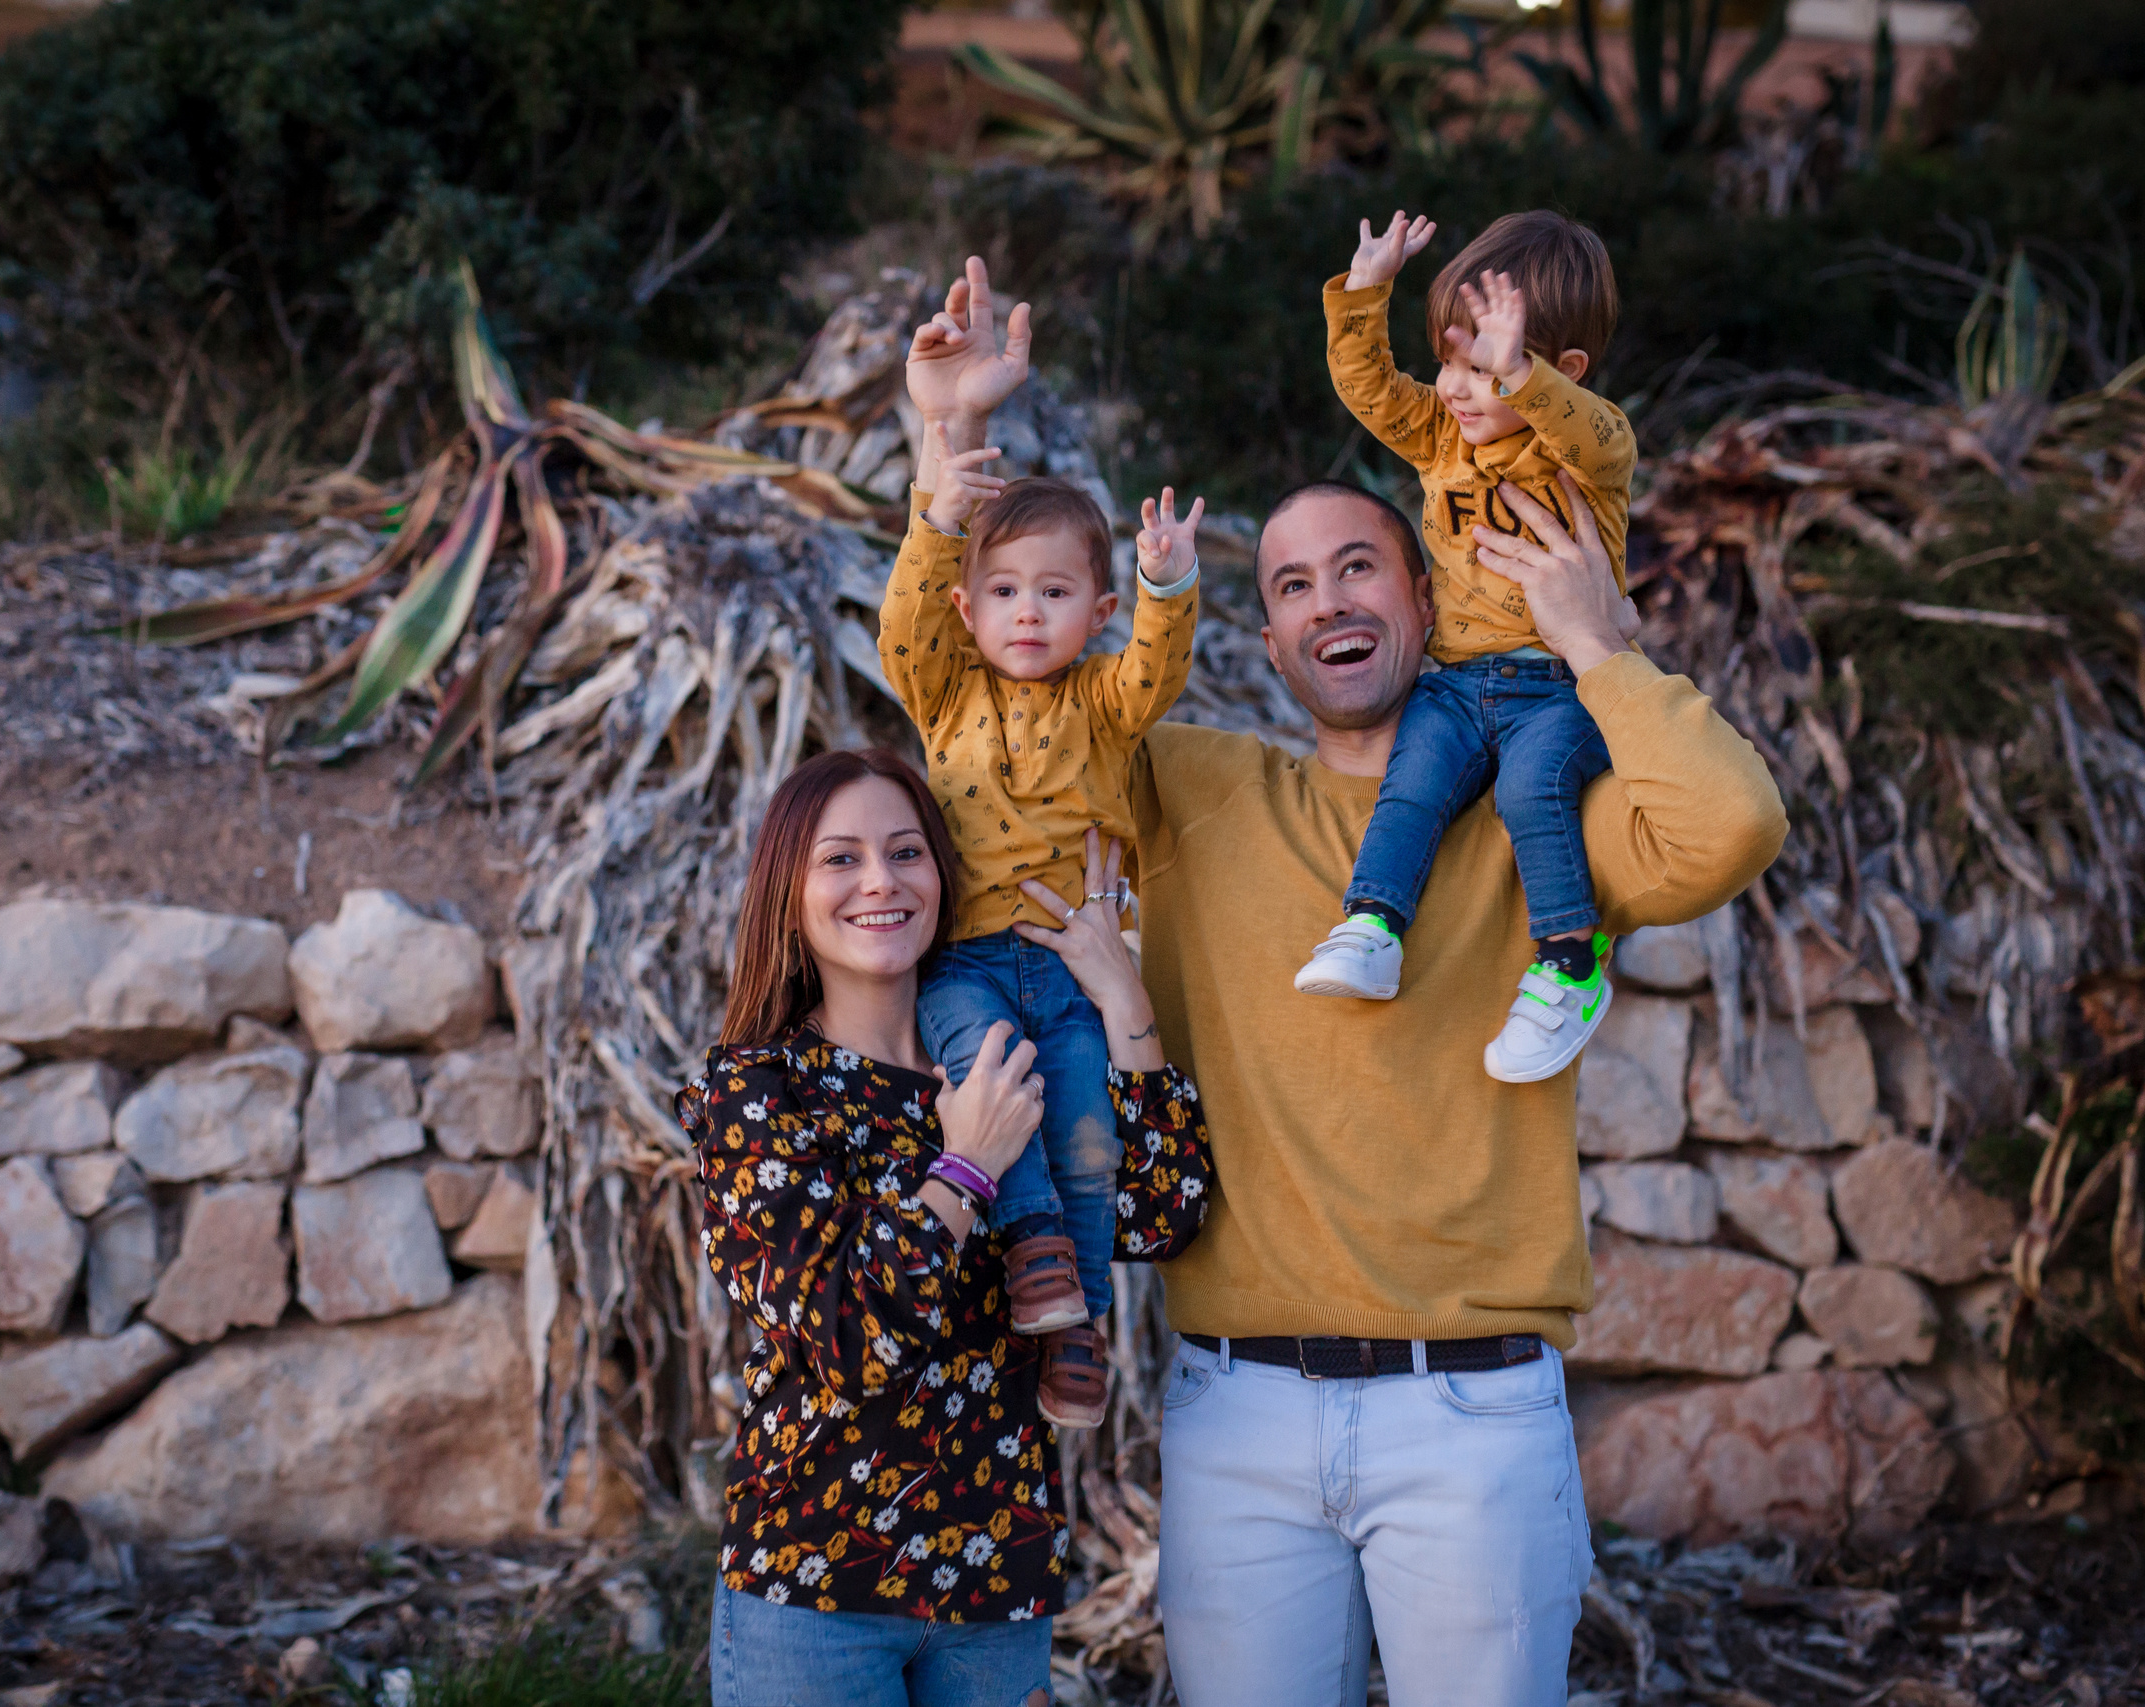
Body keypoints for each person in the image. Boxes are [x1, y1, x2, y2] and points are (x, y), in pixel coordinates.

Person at [890, 254, 1784, 1704]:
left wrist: (1597, 641)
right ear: (1264, 639)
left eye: (1358, 565)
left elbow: (1731, 824)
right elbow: (969, 683)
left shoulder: (1532, 819)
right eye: (1291, 583)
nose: (1327, 600)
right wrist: (946, 439)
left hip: (1473, 1409)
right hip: (1236, 1406)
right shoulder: (1177, 788)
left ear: (1427, 598)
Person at [680, 747, 1213, 1707]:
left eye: (906, 852)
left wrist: (1118, 993)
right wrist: (962, 1168)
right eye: (840, 859)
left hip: (996, 1583)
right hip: (816, 1590)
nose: (880, 881)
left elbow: (1168, 1207)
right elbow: (848, 1340)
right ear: (787, 894)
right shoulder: (758, 1090)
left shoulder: (1011, 1069)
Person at [883, 262, 1205, 1429]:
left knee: (1081, 1128)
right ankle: (1036, 1266)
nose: (1028, 611)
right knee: (989, 1091)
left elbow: (1159, 669)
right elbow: (906, 613)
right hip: (967, 959)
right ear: (968, 613)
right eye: (1005, 590)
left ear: (1096, 608)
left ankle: (1077, 1337)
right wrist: (937, 513)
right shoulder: (943, 693)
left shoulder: (1106, 703)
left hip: (1075, 967)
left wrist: (1169, 584)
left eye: (1057, 591)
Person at [1294, 209, 1642, 1087]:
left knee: (1533, 791)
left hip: (1562, 689)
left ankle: (1569, 961)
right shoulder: (1443, 435)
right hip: (1454, 684)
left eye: (1482, 367)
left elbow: (1595, 430)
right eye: (1451, 358)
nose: (1454, 383)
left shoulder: (1587, 459)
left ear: (1557, 373)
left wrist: (1519, 377)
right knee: (1412, 785)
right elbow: (1370, 388)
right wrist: (1366, 293)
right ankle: (1373, 925)